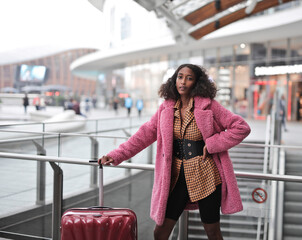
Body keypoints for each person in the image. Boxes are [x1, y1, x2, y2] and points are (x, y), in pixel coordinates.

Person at [98, 64, 251, 240]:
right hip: (177, 177)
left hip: (206, 176)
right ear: (174, 79)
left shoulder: (209, 106)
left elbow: (241, 127)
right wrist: (116, 155)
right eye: (180, 76)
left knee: (212, 232)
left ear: (197, 82)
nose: (183, 81)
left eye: (189, 78)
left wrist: (212, 144)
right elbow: (145, 134)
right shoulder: (166, 108)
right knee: (160, 232)